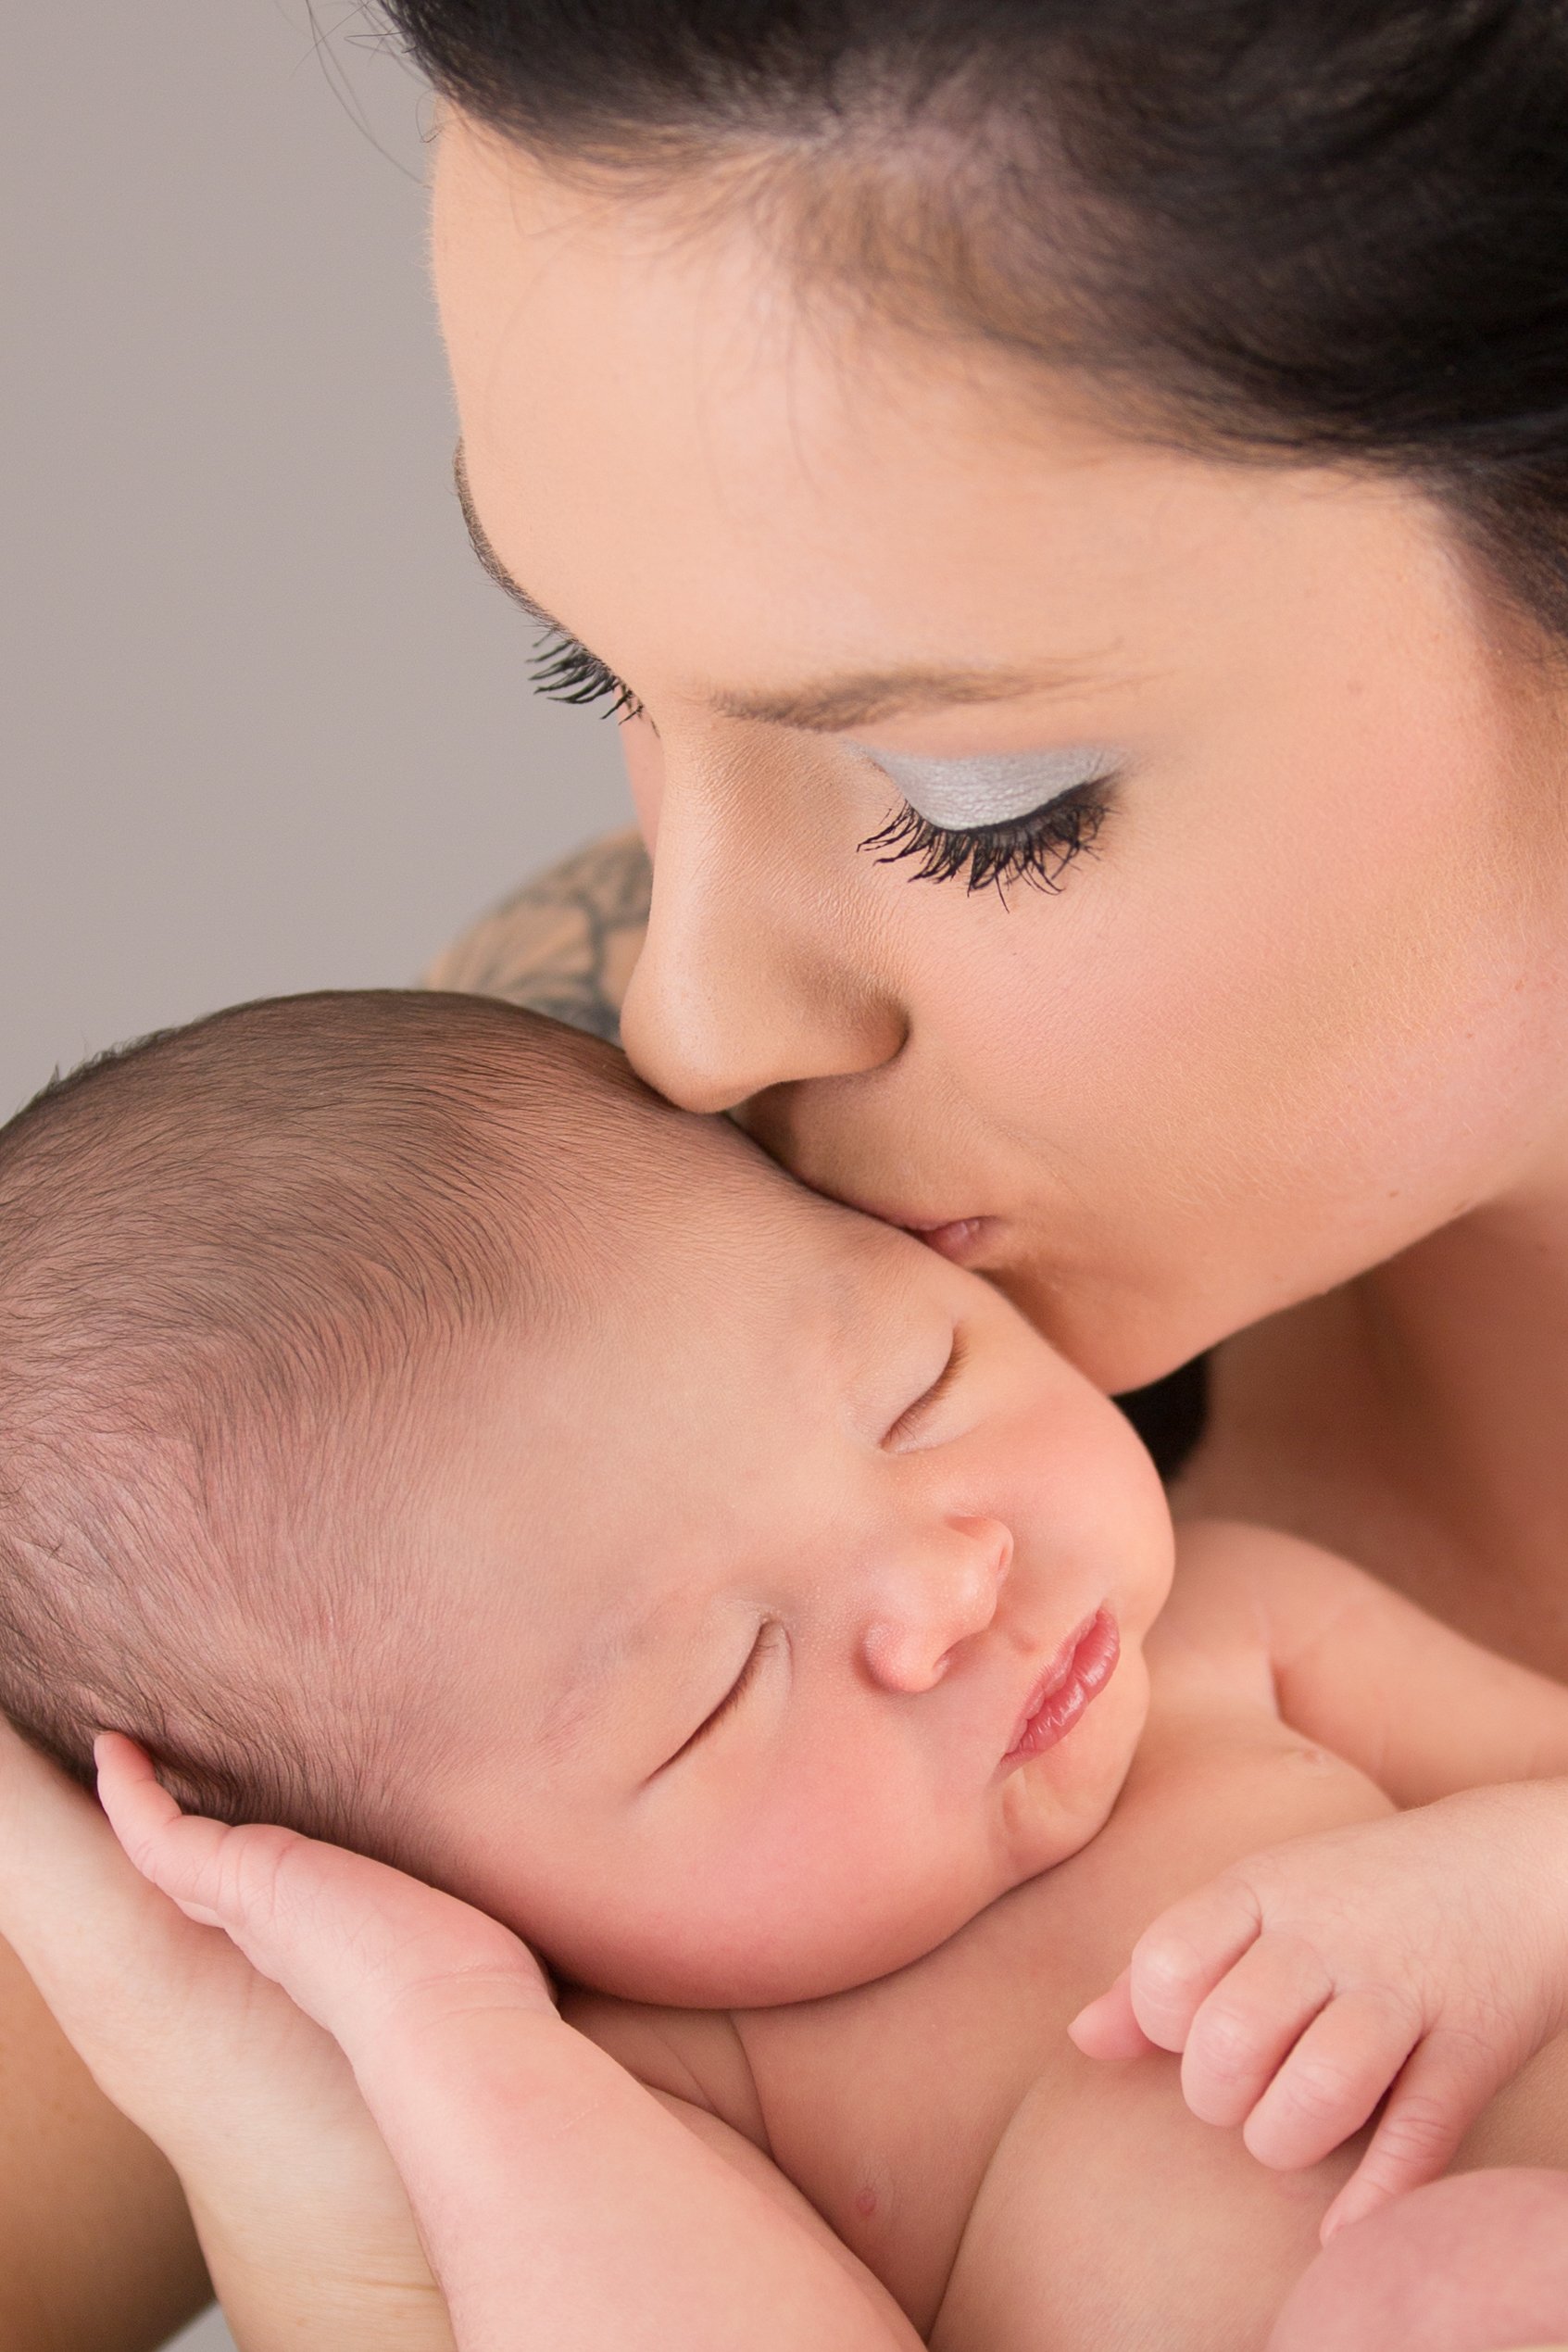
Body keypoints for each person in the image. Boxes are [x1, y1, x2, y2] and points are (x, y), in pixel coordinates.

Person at [4, 1, 1568, 2341]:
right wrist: (344, 2222)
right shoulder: (452, 1345)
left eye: (981, 792)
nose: (692, 1015)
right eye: (598, 680)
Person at [7, 986, 1568, 2352]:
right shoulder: (656, 2093)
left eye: (921, 1389)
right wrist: (448, 2034)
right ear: (431, 1882)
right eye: (725, 1685)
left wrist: (1489, 1893)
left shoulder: (1244, 1630)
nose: (949, 1583)